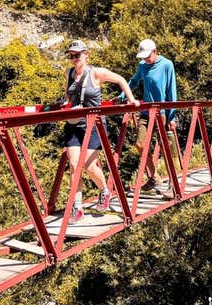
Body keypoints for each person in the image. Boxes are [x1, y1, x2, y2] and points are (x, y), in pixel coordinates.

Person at [62, 40, 139, 224]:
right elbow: (68, 94)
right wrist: (65, 104)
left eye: (77, 55)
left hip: (94, 125)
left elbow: (121, 79)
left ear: (86, 54)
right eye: (71, 55)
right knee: (73, 165)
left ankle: (104, 190)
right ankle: (77, 206)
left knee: (88, 166)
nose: (74, 59)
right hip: (74, 124)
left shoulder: (96, 73)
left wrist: (132, 100)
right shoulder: (69, 73)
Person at [119, 39, 178, 200]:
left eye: (148, 56)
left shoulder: (167, 65)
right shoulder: (142, 66)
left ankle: (173, 185)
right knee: (140, 144)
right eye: (143, 57)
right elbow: (134, 81)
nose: (146, 59)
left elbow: (171, 91)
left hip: (162, 113)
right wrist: (122, 96)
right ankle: (154, 177)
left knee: (166, 148)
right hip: (146, 112)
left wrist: (172, 115)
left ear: (155, 51)